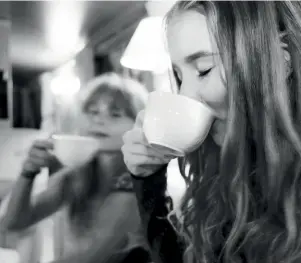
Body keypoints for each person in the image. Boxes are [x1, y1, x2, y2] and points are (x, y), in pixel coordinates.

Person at [122, 1, 301, 263]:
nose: (184, 95)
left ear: (280, 62)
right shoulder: (228, 175)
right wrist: (148, 181)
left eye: (204, 69)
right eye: (180, 77)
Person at [0, 72, 150, 263]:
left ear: (139, 127)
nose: (99, 120)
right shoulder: (77, 176)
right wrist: (28, 172)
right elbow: (12, 224)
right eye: (93, 112)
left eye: (115, 114)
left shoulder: (137, 183)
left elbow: (89, 257)